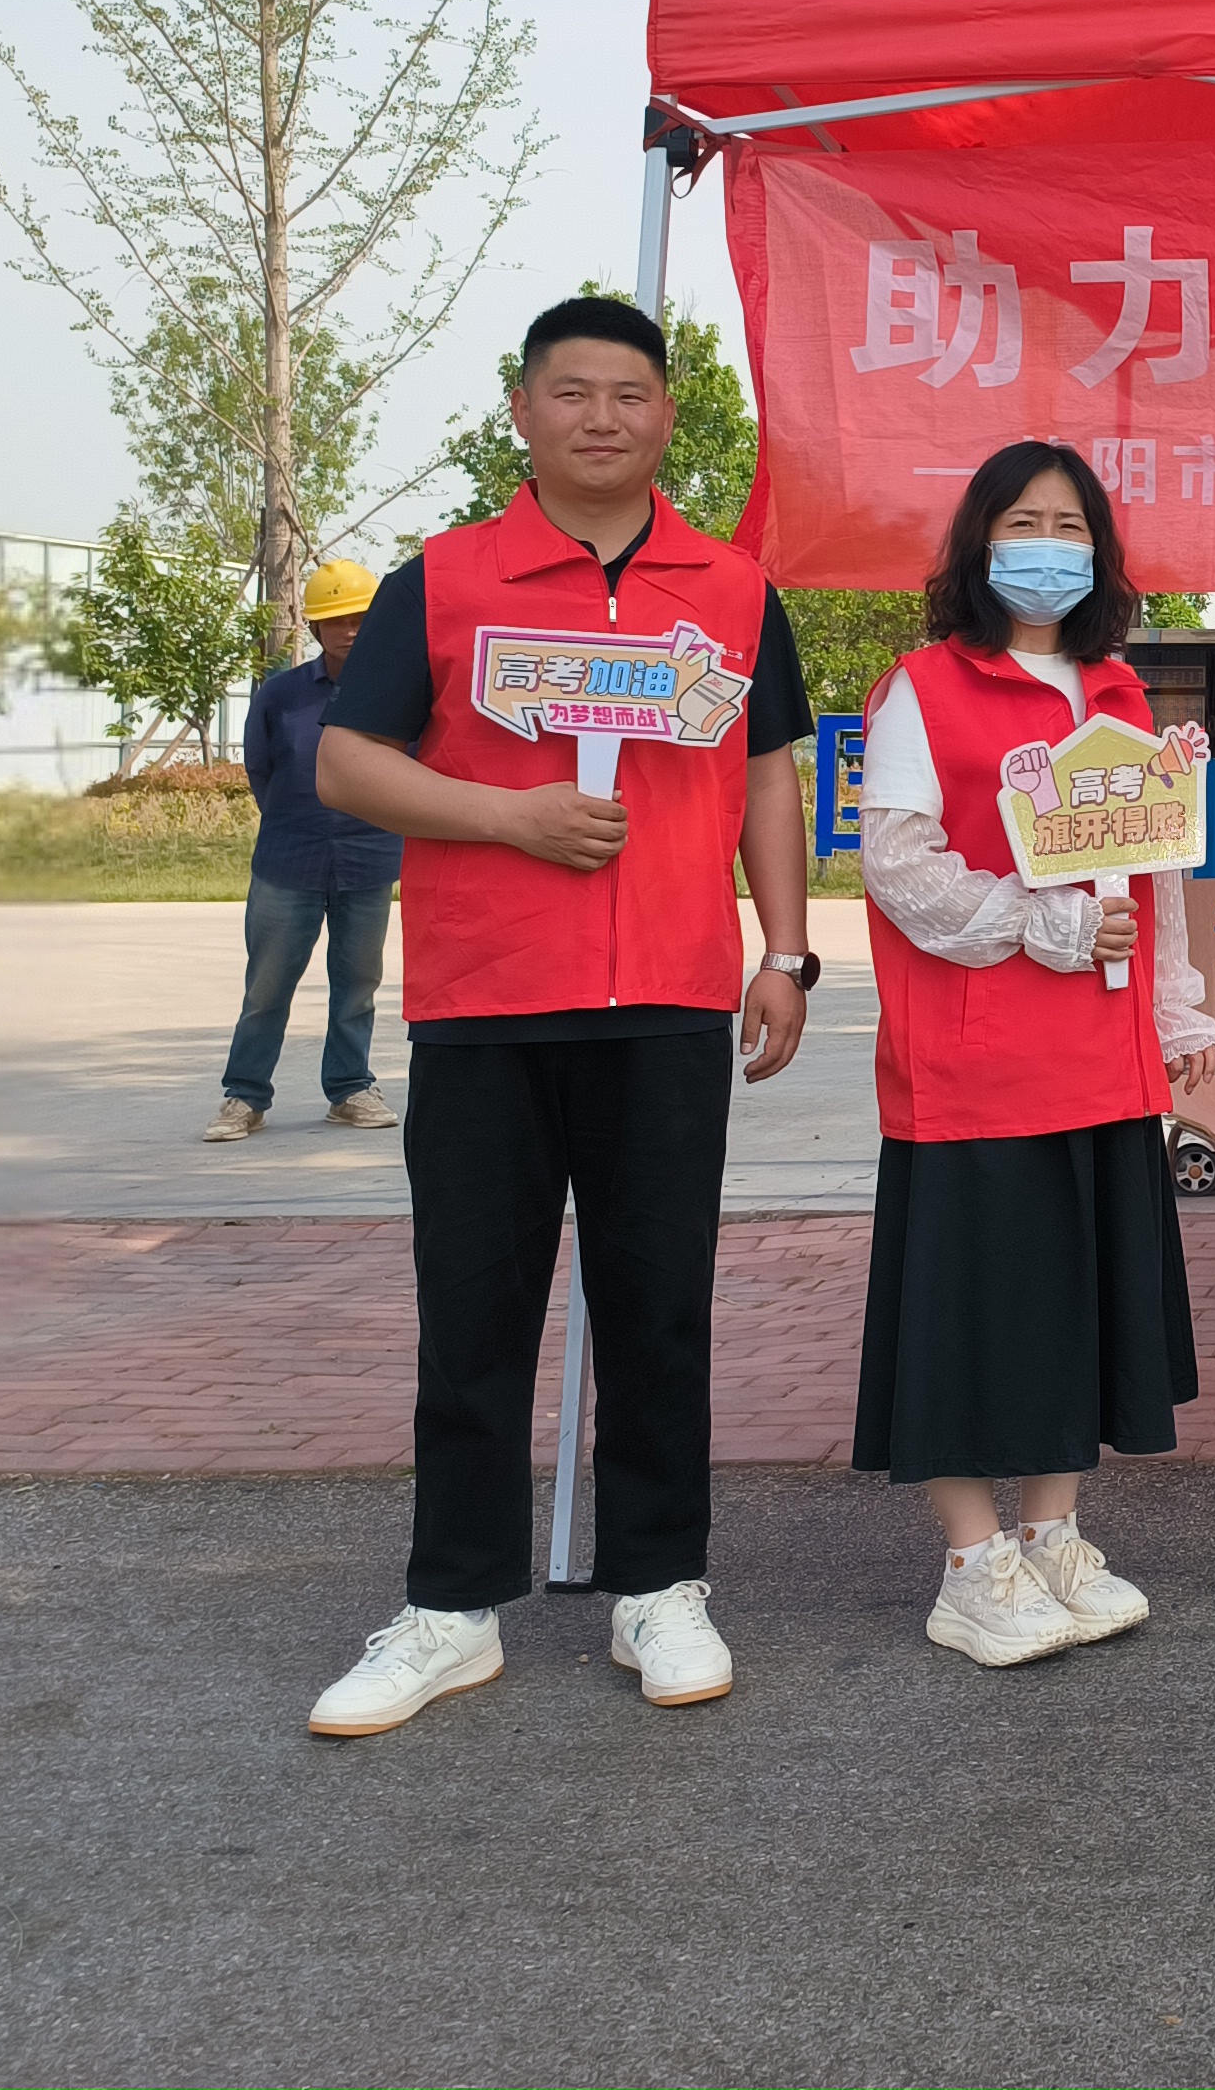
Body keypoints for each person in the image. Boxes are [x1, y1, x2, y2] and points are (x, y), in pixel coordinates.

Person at [300, 295, 818, 1740]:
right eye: (572, 392)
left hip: (667, 999)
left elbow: (766, 771)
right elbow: (348, 761)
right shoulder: (445, 579)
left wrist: (785, 952)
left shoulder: (730, 588)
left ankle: (660, 1585)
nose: (602, 417)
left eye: (630, 394)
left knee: (659, 1307)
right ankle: (451, 1607)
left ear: (668, 418)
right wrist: (506, 816)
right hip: (488, 1001)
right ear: (522, 411)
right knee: (473, 1311)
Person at [850, 440, 1215, 1665]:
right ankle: (971, 1563)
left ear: (1100, 554)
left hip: (1101, 1063)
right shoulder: (922, 687)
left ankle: (1052, 1534)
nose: (1047, 548)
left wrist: (1174, 1011)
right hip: (974, 1067)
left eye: (1070, 527)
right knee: (966, 1317)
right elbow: (898, 866)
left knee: (1077, 1309)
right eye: (1023, 522)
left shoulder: (1117, 693)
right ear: (979, 540)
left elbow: (1156, 872)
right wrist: (1041, 923)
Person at [205, 559, 403, 1141]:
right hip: (288, 862)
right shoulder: (281, 695)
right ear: (314, 627)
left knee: (358, 985)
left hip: (368, 861)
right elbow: (262, 770)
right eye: (336, 620)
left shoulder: (399, 693)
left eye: (361, 618)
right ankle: (245, 1096)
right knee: (266, 988)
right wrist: (300, 821)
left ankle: (350, 1089)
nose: (350, 630)